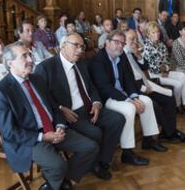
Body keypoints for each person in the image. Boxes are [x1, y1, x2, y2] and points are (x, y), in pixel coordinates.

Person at [0, 41, 99, 190]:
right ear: (10, 63)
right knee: (58, 165)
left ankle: (62, 183)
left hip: (52, 129)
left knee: (90, 147)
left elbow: (54, 108)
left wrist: (60, 126)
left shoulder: (37, 79)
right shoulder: (0, 91)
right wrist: (43, 137)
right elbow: (9, 132)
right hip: (28, 138)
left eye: (30, 54)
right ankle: (57, 183)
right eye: (24, 56)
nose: (30, 59)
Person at [35, 33, 125, 180]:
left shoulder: (81, 63)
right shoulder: (46, 67)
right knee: (95, 133)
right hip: (70, 114)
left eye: (82, 46)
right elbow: (42, 98)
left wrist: (96, 102)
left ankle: (101, 160)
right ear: (63, 46)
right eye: (75, 45)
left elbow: (91, 86)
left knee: (117, 119)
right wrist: (59, 108)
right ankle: (75, 172)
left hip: (89, 106)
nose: (80, 50)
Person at [90, 30, 168, 166]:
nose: (120, 46)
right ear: (106, 43)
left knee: (147, 101)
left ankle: (149, 140)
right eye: (116, 42)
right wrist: (129, 100)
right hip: (108, 97)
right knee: (130, 109)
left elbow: (128, 79)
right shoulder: (98, 60)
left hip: (124, 94)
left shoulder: (122, 56)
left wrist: (134, 96)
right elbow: (104, 87)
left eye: (122, 43)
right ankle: (127, 152)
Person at [123, 29, 185, 143]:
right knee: (154, 104)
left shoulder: (133, 51)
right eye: (131, 39)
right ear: (123, 40)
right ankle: (170, 133)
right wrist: (145, 88)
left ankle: (168, 132)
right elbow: (127, 80)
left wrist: (138, 55)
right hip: (136, 88)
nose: (135, 41)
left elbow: (145, 67)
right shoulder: (122, 55)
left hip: (145, 83)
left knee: (169, 96)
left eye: (135, 38)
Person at [142, 22, 185, 114]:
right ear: (148, 34)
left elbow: (167, 61)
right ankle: (177, 105)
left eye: (157, 32)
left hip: (163, 72)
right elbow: (150, 67)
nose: (157, 34)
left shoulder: (161, 45)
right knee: (178, 84)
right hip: (154, 76)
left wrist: (165, 68)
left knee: (182, 75)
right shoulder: (147, 47)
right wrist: (161, 69)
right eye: (153, 32)